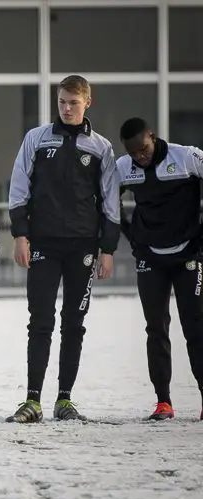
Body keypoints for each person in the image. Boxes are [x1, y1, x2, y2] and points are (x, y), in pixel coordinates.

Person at [7, 75, 120, 423]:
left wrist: (107, 249)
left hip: (83, 247)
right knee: (40, 321)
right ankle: (33, 400)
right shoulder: (36, 139)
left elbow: (110, 201)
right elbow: (18, 188)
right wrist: (21, 235)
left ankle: (65, 400)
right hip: (43, 243)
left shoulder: (101, 147)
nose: (67, 109)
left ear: (87, 102)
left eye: (73, 102)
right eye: (62, 102)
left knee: (74, 323)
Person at [117, 117, 203, 421]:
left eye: (144, 149)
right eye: (133, 153)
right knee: (156, 328)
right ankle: (163, 402)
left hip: (187, 255)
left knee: (196, 327)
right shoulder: (123, 167)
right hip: (150, 258)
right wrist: (131, 235)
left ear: (152, 137)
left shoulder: (187, 157)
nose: (140, 157)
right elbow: (107, 200)